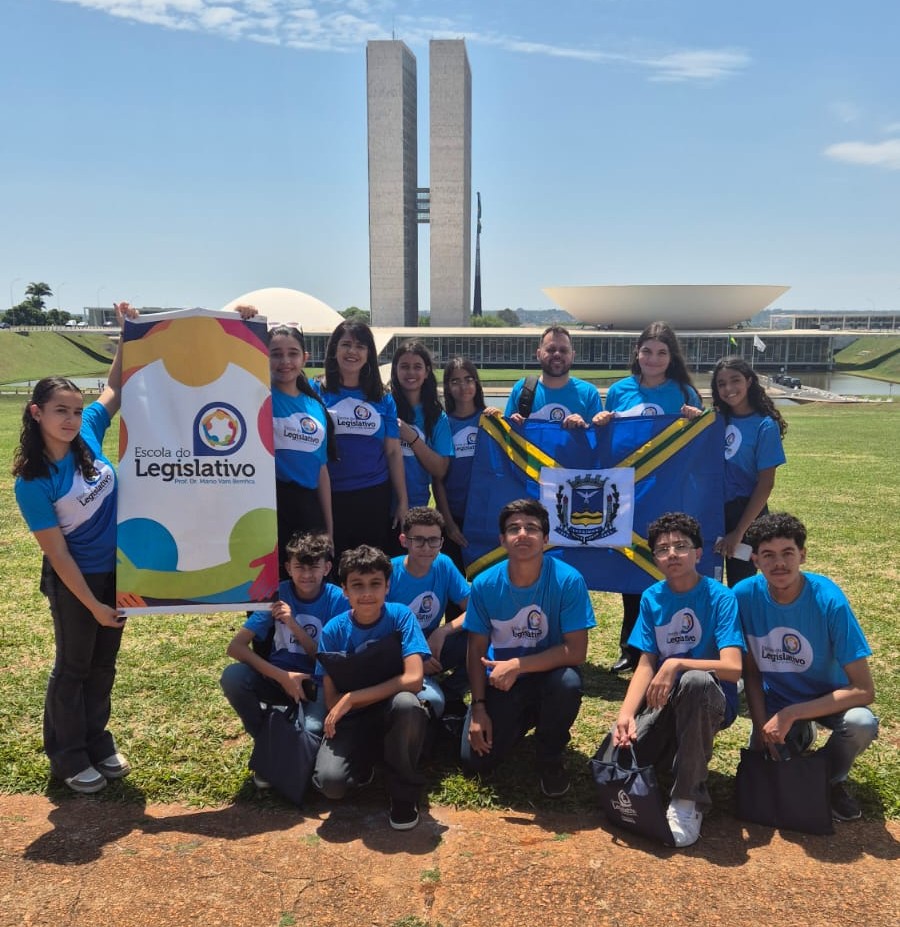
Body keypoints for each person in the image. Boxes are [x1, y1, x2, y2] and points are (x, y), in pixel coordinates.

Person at [12, 301, 139, 794]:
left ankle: (96, 741)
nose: (70, 419)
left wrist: (127, 335)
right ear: (37, 413)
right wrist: (93, 605)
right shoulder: (32, 481)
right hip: (75, 582)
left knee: (104, 665)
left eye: (75, 410)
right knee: (74, 666)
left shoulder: (88, 431)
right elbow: (59, 555)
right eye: (59, 411)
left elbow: (116, 389)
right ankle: (67, 757)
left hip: (116, 572)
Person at [601, 512, 744, 847]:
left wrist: (677, 663)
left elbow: (733, 668)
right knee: (615, 761)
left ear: (698, 553)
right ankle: (672, 758)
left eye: (681, 546)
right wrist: (625, 715)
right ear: (655, 558)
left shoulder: (721, 597)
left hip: (712, 699)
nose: (673, 554)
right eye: (663, 549)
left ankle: (688, 800)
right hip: (665, 700)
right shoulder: (652, 597)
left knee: (694, 680)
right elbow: (646, 663)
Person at [735, 512, 878, 821]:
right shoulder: (743, 597)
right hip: (777, 698)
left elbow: (864, 690)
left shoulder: (829, 600)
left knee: (861, 723)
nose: (779, 564)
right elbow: (752, 672)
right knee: (765, 762)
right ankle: (798, 736)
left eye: (788, 553)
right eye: (768, 555)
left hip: (829, 698)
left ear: (803, 554)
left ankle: (829, 780)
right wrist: (761, 728)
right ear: (755, 560)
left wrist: (791, 713)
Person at [461, 499, 596, 797]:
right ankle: (522, 718)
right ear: (502, 539)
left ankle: (550, 756)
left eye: (531, 528)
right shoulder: (484, 584)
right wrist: (479, 707)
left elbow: (576, 652)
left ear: (545, 538)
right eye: (514, 528)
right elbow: (475, 649)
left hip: (548, 676)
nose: (522, 534)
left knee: (568, 682)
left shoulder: (568, 580)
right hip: (501, 682)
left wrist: (518, 665)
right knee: (476, 763)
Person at [595, 320, 704, 675]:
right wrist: (601, 422)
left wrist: (699, 420)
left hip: (671, 493)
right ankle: (632, 647)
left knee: (671, 568)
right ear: (636, 353)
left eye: (661, 352)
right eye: (647, 351)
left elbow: (702, 442)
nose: (653, 359)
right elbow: (608, 443)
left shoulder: (684, 392)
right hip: (631, 495)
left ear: (672, 357)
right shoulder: (619, 390)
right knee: (633, 570)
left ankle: (677, 642)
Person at [312, 545, 431, 831]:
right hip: (352, 719)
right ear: (344, 590)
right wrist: (348, 703)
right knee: (331, 784)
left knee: (407, 703)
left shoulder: (401, 617)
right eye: (357, 585)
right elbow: (332, 700)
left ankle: (403, 793)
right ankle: (369, 761)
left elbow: (414, 679)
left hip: (391, 710)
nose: (367, 593)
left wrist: (354, 697)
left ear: (388, 586)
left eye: (375, 584)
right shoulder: (332, 631)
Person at [219, 531, 348, 786]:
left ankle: (285, 754)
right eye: (299, 567)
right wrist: (282, 677)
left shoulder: (338, 600)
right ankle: (267, 744)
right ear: (288, 568)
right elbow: (236, 648)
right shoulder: (277, 594)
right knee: (233, 677)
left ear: (327, 568)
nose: (307, 575)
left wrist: (292, 623)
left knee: (311, 729)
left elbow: (326, 659)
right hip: (279, 677)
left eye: (314, 567)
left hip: (317, 681)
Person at [315, 320, 408, 562]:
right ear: (334, 350)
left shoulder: (383, 398)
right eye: (346, 344)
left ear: (369, 354)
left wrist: (402, 501)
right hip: (329, 495)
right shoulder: (315, 391)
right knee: (333, 565)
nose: (352, 352)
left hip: (373, 495)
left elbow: (393, 452)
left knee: (369, 567)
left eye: (360, 346)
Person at [710, 356, 787, 586]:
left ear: (749, 381)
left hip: (746, 516)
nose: (729, 388)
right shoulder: (716, 419)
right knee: (708, 581)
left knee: (740, 585)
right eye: (721, 383)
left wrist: (739, 532)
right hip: (713, 512)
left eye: (735, 380)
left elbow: (766, 484)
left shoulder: (765, 425)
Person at [388, 507, 471, 721]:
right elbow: (377, 633)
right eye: (418, 540)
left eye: (433, 540)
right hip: (396, 651)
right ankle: (423, 688)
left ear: (442, 542)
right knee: (433, 703)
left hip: (432, 644)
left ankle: (451, 692)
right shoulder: (389, 573)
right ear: (404, 541)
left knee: (486, 633)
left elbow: (474, 609)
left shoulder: (443, 564)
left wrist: (443, 631)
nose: (426, 548)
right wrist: (415, 658)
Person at [433, 357, 499, 573]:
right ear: (447, 387)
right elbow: (438, 479)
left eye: (468, 379)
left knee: (487, 580)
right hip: (455, 515)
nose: (463, 386)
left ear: (476, 383)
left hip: (486, 515)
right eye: (455, 381)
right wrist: (449, 524)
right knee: (455, 582)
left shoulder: (491, 420)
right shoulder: (443, 424)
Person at [389, 339, 454, 510]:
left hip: (417, 506)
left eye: (417, 367)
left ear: (426, 372)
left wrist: (412, 438)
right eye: (404, 366)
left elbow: (440, 469)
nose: (411, 372)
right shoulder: (384, 407)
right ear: (395, 370)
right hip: (381, 503)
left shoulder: (437, 416)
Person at [504, 325, 602, 427]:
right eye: (551, 350)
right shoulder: (522, 389)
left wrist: (584, 427)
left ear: (572, 356)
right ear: (538, 354)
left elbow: (599, 435)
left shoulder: (589, 394)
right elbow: (504, 434)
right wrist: (511, 425)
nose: (557, 354)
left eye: (563, 350)